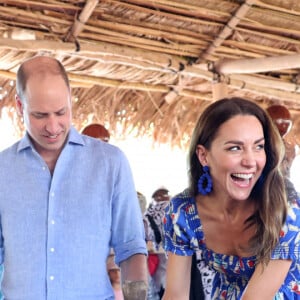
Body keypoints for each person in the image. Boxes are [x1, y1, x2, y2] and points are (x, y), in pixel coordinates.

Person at [0, 55, 148, 299]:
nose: (53, 126)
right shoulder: (4, 168)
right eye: (40, 115)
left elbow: (131, 247)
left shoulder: (110, 163)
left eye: (61, 112)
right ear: (19, 105)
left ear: (70, 97)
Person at [163, 97, 300, 299]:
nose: (250, 161)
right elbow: (175, 294)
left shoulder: (284, 212)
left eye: (258, 146)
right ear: (203, 156)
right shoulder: (183, 212)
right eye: (234, 148)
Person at [144, 187, 170, 299]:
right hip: (160, 279)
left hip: (172, 278)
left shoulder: (179, 214)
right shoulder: (147, 218)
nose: (163, 198)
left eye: (165, 194)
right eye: (160, 196)